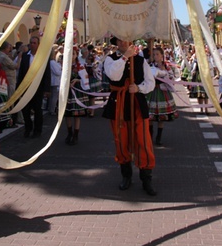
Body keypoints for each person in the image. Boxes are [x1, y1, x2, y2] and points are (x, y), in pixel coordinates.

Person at [102, 37, 156, 196]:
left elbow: (150, 83)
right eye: (120, 40)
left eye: (126, 39)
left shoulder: (140, 60)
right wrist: (125, 57)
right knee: (121, 140)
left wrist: (138, 88)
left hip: (137, 103)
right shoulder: (110, 60)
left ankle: (146, 179)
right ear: (117, 43)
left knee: (143, 140)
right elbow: (114, 76)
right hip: (118, 104)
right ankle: (126, 176)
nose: (124, 42)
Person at [16, 36, 51, 138]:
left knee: (37, 109)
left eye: (34, 43)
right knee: (25, 110)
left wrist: (46, 89)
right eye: (31, 43)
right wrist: (19, 88)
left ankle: (37, 130)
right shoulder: (25, 57)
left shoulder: (42, 57)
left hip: (38, 87)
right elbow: (21, 73)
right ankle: (28, 127)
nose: (32, 44)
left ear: (38, 44)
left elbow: (47, 73)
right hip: (26, 87)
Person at [147, 46, 178, 147]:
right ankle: (150, 137)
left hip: (162, 91)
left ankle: (159, 137)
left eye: (157, 54)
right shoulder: (150, 65)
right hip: (152, 91)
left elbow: (172, 78)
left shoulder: (166, 65)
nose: (155, 56)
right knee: (150, 116)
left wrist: (164, 72)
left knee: (161, 117)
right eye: (154, 54)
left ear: (162, 56)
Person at [64, 46, 90, 145]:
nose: (71, 56)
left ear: (76, 55)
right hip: (67, 92)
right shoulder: (65, 65)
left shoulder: (80, 66)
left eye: (73, 54)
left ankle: (75, 135)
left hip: (77, 92)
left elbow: (85, 79)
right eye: (70, 54)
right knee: (68, 114)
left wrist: (77, 80)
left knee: (76, 114)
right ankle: (69, 133)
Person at [0, 41, 25, 125]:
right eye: (9, 47)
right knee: (12, 100)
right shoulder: (3, 57)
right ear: (5, 48)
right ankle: (12, 120)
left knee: (12, 99)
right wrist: (19, 57)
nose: (10, 49)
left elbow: (10, 61)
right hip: (9, 80)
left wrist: (16, 54)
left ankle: (16, 118)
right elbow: (15, 66)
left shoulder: (0, 55)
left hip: (6, 80)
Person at [48, 46, 62, 116]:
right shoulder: (52, 62)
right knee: (54, 97)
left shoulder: (51, 62)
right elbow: (57, 72)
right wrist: (61, 69)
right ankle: (52, 110)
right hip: (54, 82)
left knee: (52, 97)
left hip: (53, 81)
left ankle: (51, 109)